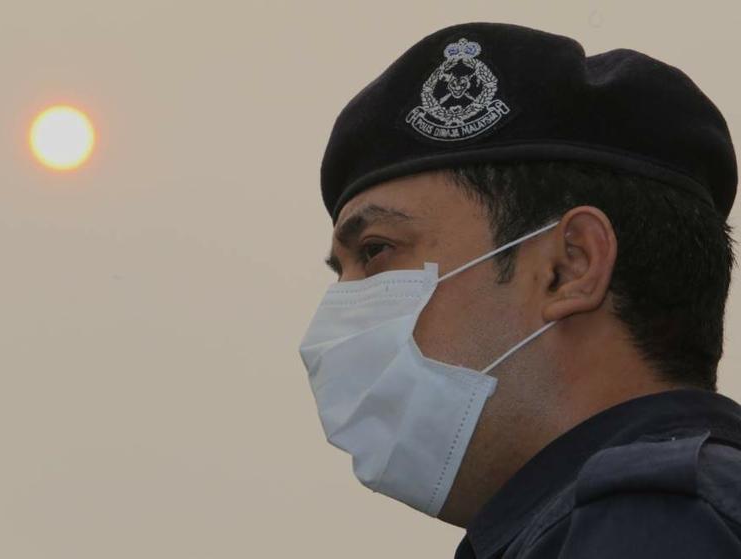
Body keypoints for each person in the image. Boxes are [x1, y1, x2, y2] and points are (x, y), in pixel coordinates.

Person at [298, 22, 741, 558]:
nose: (331, 325)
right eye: (339, 272)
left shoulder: (647, 523)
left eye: (375, 252)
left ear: (569, 266)